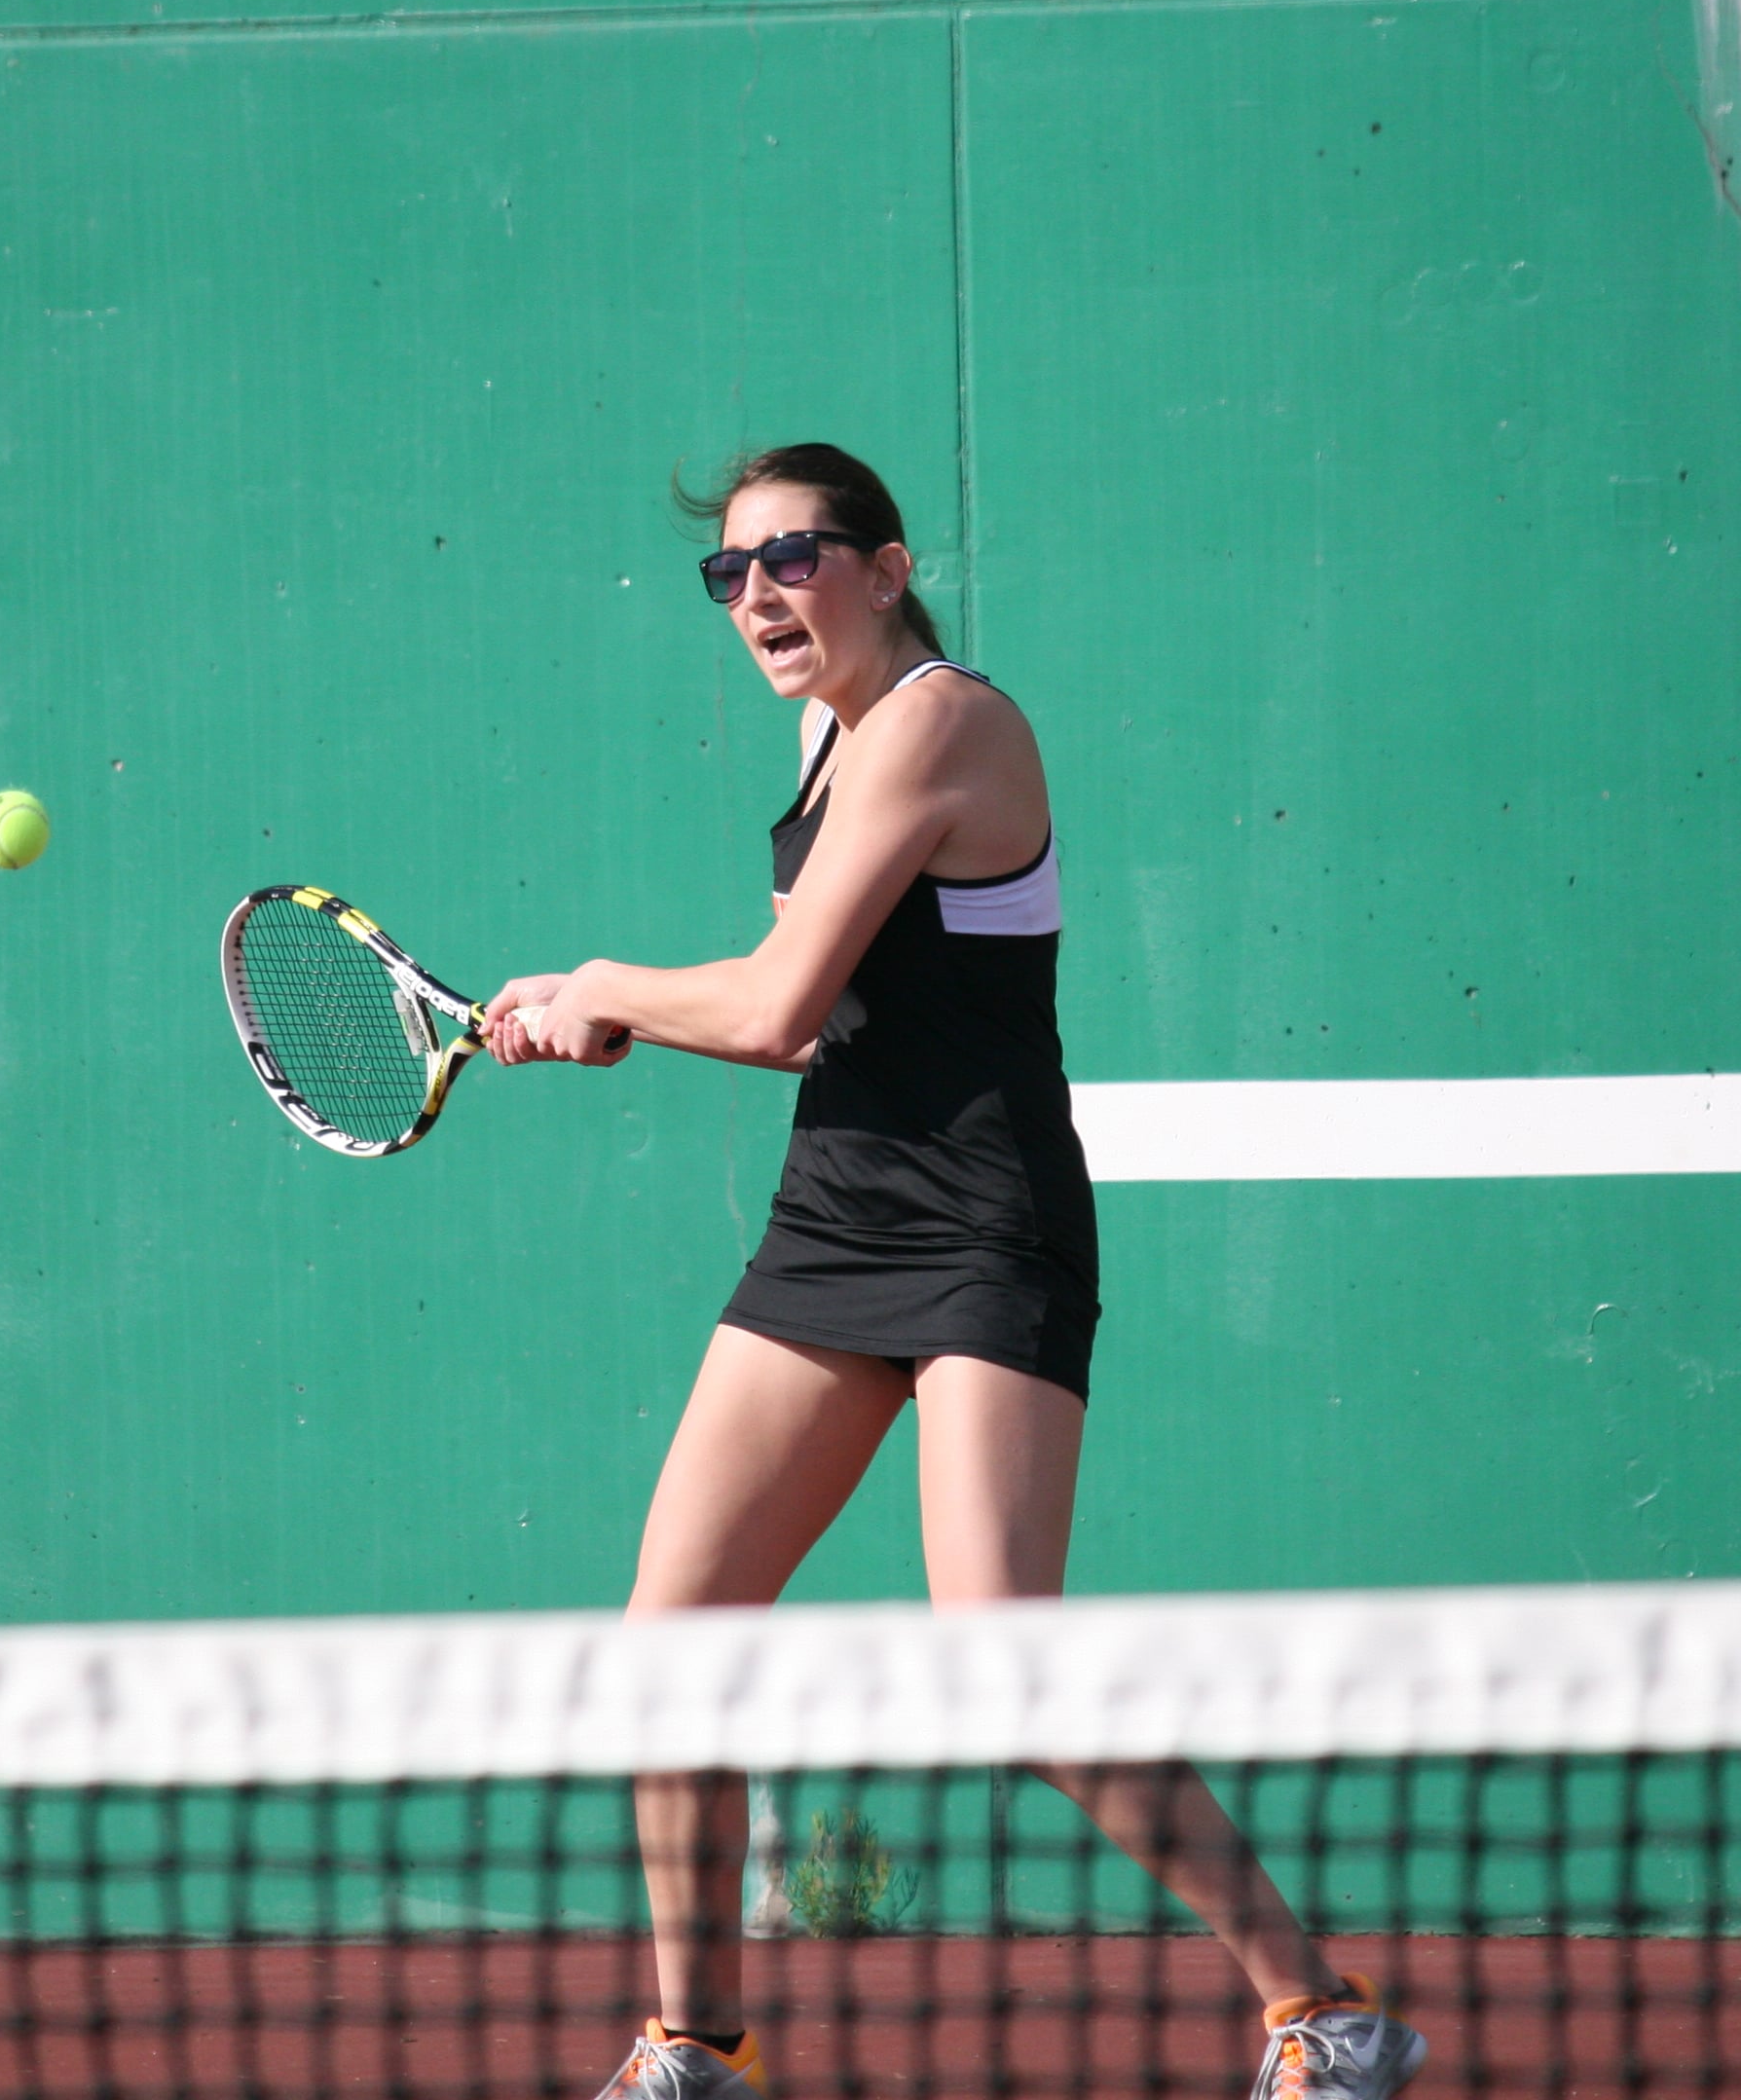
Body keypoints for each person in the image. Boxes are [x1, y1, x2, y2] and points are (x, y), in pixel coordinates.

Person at [484, 445, 1425, 2100]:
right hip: (837, 1217)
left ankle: (1320, 2012)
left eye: (795, 558)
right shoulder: (827, 736)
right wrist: (610, 1020)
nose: (761, 594)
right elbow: (816, 1019)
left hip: (989, 1225)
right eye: (732, 573)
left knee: (1003, 1662)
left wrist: (606, 983)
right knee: (668, 1640)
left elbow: (772, 1006)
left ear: (889, 564)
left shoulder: (944, 722)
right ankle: (691, 2047)